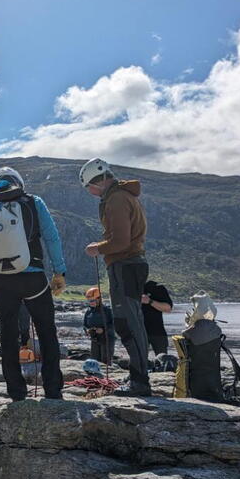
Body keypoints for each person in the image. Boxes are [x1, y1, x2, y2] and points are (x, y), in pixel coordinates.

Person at [0, 166, 67, 401]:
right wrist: (59, 272)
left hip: (2, 282)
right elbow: (51, 237)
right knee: (47, 332)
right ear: (18, 182)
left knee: (8, 335)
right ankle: (53, 389)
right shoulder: (34, 202)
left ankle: (16, 392)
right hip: (33, 277)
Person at [82, 158, 151, 396]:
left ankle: (140, 383)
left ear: (96, 181)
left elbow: (120, 241)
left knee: (128, 324)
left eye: (88, 187)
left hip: (125, 265)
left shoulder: (116, 199)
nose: (90, 193)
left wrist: (96, 248)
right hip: (131, 265)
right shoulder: (124, 196)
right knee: (132, 322)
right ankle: (139, 377)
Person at [82, 287, 115, 364]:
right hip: (95, 340)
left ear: (99, 299)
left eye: (93, 300)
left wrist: (103, 330)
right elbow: (85, 325)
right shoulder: (88, 312)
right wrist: (87, 331)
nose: (91, 302)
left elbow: (113, 324)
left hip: (107, 340)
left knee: (105, 362)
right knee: (94, 361)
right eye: (89, 301)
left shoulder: (107, 311)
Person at [142, 280, 173, 355]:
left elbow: (168, 308)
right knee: (139, 363)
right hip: (137, 333)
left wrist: (150, 301)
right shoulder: (128, 288)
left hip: (157, 332)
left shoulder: (156, 287)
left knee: (163, 361)